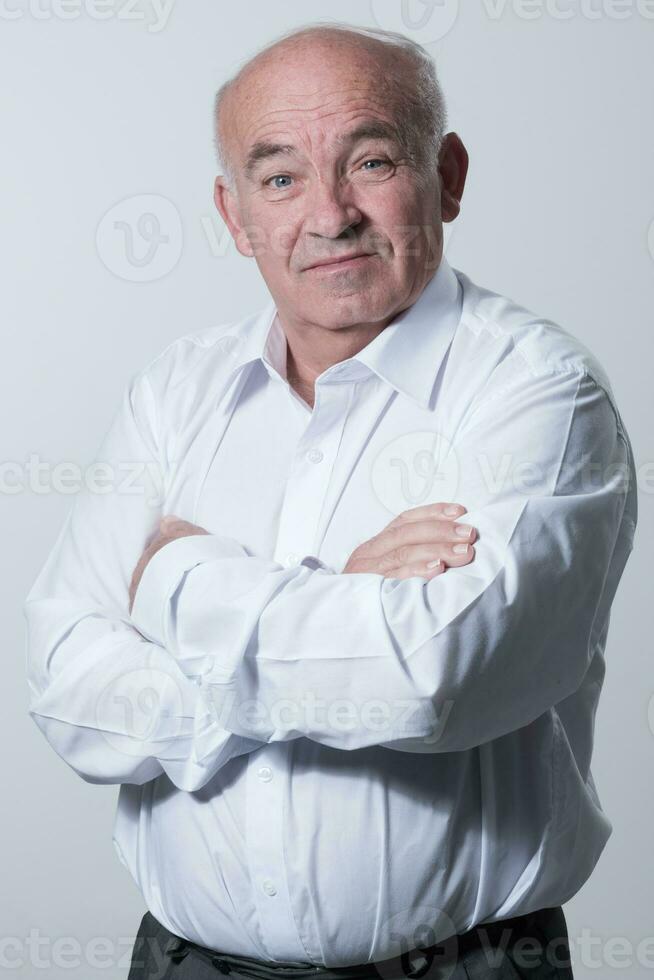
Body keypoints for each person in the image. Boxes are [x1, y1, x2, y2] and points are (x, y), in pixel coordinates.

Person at [24, 21, 637, 980]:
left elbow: (433, 679)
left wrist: (180, 581)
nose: (331, 213)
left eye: (372, 161)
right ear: (234, 216)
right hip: (184, 964)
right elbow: (68, 693)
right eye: (281, 180)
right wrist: (338, 595)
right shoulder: (176, 391)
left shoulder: (539, 390)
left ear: (450, 175)